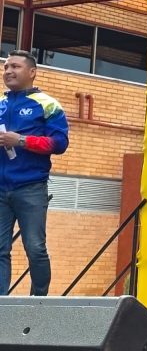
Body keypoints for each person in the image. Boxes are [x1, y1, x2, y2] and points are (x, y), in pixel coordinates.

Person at [0, 51, 69, 297]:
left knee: (35, 248)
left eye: (15, 66)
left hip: (31, 188)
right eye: (6, 67)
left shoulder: (48, 104)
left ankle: (38, 303)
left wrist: (21, 140)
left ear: (32, 72)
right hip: (0, 189)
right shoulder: (1, 104)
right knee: (0, 250)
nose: (8, 71)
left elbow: (60, 144)